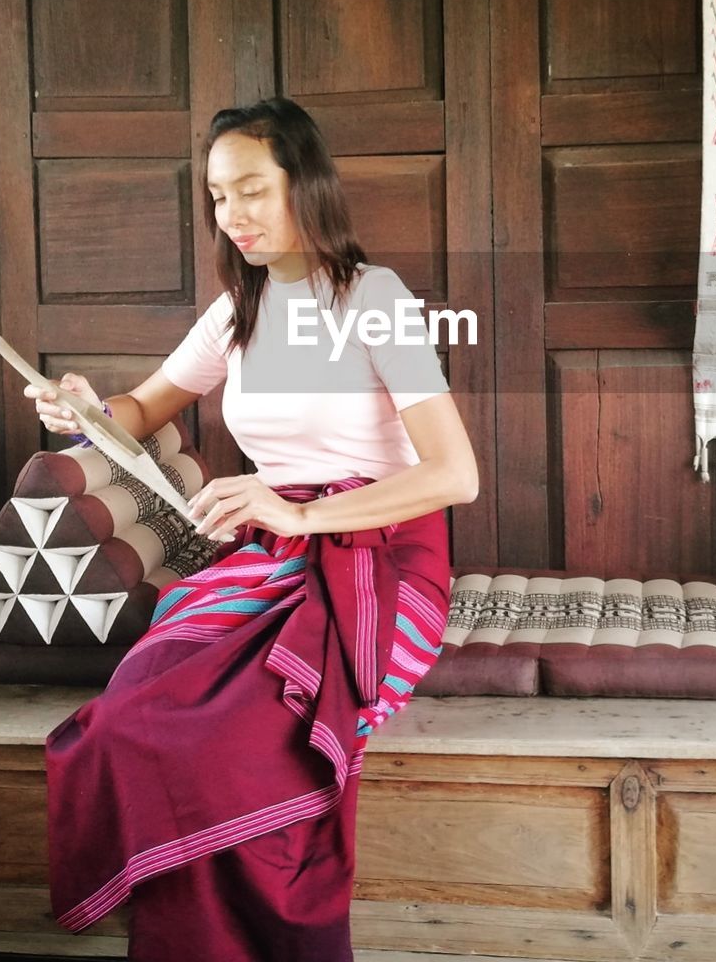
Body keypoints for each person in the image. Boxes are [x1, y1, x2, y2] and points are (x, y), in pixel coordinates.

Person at [26, 96, 478, 961]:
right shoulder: (237, 312)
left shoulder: (373, 298)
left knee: (237, 743)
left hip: (379, 561)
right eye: (218, 198)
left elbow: (456, 476)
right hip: (270, 556)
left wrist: (298, 509)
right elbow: (143, 407)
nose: (232, 216)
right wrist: (83, 410)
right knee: (134, 714)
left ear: (304, 185)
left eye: (251, 192)